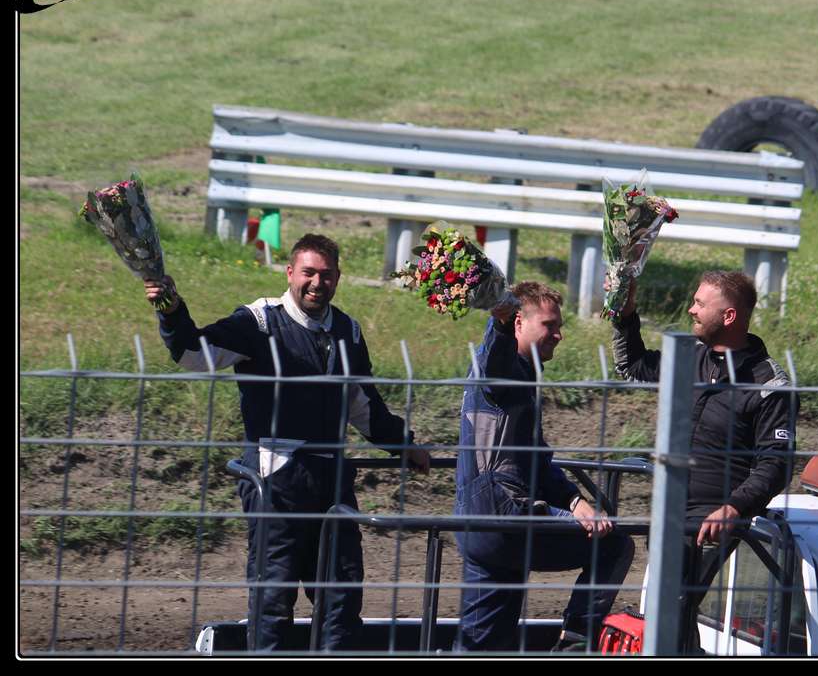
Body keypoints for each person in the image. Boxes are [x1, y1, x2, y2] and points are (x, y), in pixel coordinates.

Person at [144, 233, 429, 651]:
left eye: (326, 275)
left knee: (341, 592)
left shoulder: (348, 330)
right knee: (274, 595)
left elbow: (363, 406)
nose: (317, 283)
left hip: (332, 480)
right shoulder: (258, 321)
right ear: (290, 272)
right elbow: (194, 354)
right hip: (274, 477)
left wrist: (404, 445)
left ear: (338, 278)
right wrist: (171, 310)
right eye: (308, 273)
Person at [610, 271, 796, 652]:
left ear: (728, 316)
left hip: (712, 519)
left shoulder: (769, 384)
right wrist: (625, 315)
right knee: (672, 610)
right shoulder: (689, 356)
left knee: (672, 607)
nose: (691, 310)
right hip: (670, 510)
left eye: (699, 303)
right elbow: (633, 367)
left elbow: (776, 465)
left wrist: (733, 508)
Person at [453, 282, 635, 652]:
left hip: (480, 520)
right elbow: (495, 357)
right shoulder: (502, 368)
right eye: (549, 325)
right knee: (614, 545)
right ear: (518, 323)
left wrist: (573, 501)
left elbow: (535, 456)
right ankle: (575, 644)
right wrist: (499, 322)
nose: (559, 334)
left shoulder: (521, 372)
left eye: (559, 326)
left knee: (483, 645)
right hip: (506, 517)